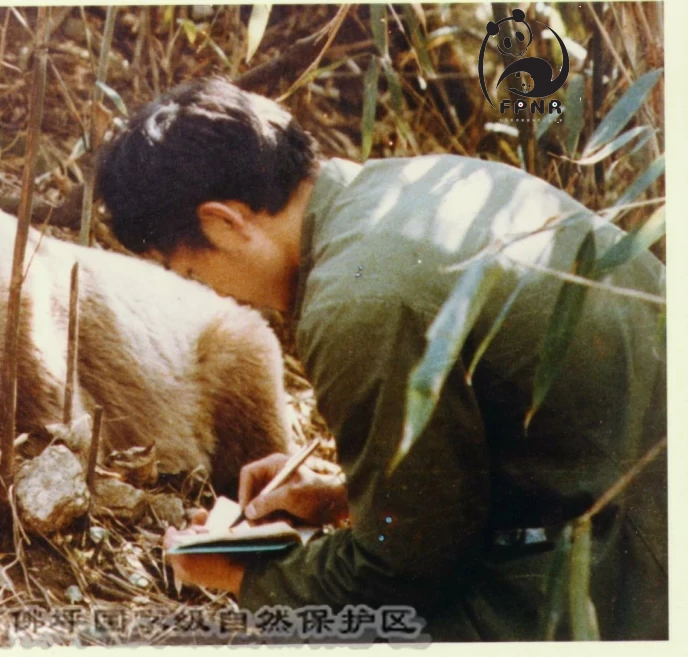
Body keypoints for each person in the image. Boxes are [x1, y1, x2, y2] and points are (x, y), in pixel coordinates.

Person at [95, 77, 666, 641]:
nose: (217, 294)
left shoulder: (356, 299)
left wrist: (248, 579)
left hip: (641, 566)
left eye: (193, 272)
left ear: (224, 222)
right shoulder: (412, 184)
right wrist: (348, 497)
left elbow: (405, 572)